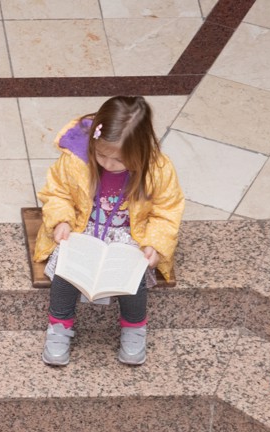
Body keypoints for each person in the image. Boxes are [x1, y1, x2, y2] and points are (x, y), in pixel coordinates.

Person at [33, 96, 184, 366]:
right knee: (65, 271)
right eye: (101, 155)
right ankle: (59, 325)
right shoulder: (75, 160)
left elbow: (167, 210)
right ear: (93, 141)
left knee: (134, 275)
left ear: (140, 152)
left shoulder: (158, 170)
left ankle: (134, 327)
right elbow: (56, 192)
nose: (108, 164)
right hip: (82, 227)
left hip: (132, 234)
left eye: (119, 160)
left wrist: (155, 246)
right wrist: (61, 221)